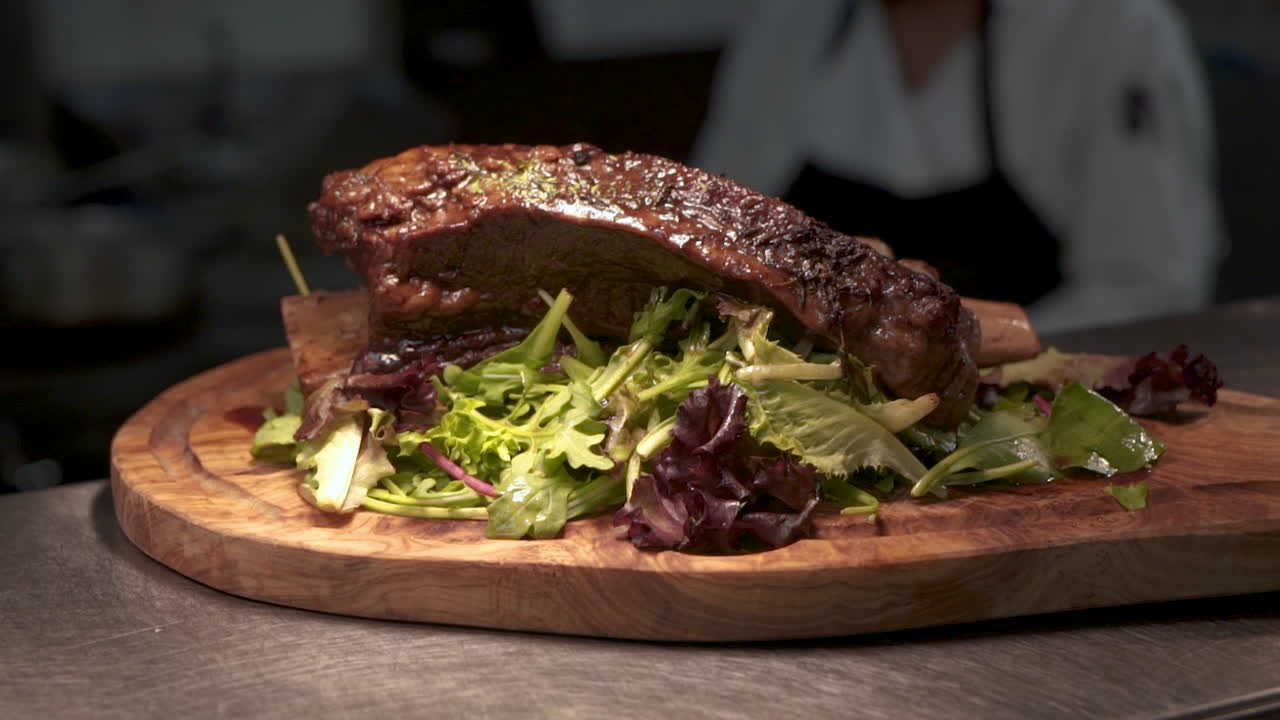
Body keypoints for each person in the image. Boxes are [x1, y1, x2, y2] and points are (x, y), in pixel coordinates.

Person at [692, 0, 1225, 333]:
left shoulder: (1110, 27)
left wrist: (972, 359)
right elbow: (711, 243)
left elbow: (1149, 287)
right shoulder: (789, 26)